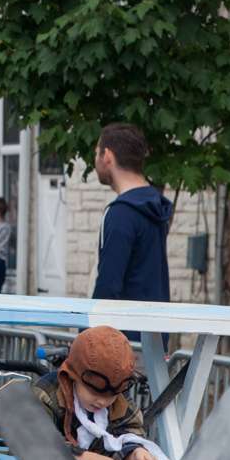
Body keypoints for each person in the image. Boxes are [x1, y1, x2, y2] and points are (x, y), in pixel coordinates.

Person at [17, 326, 167, 460]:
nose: (102, 401)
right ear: (73, 376)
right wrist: (88, 458)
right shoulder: (46, 394)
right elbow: (34, 443)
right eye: (94, 392)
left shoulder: (119, 402)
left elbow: (126, 434)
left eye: (111, 396)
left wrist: (135, 454)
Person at [92, 124, 172, 337]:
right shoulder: (155, 205)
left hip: (121, 345)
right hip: (153, 336)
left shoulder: (121, 214)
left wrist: (89, 338)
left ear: (107, 155)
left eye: (96, 152)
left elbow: (108, 286)